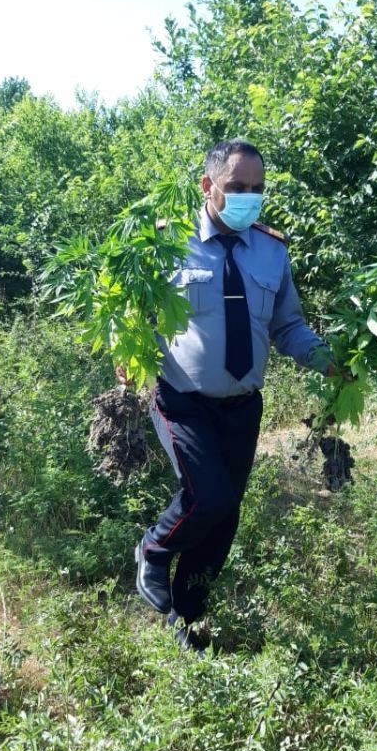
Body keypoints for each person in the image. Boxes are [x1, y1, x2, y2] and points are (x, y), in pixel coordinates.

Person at [134, 139, 338, 650]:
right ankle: (154, 550)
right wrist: (126, 348)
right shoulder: (165, 244)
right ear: (208, 186)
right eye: (237, 187)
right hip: (182, 397)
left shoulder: (272, 251)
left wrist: (328, 359)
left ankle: (189, 623)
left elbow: (287, 326)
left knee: (223, 520)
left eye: (257, 189)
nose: (249, 197)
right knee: (210, 497)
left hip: (243, 406)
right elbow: (127, 311)